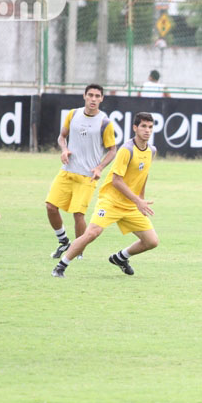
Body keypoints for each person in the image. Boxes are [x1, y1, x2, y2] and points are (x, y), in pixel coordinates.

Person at [52, 112, 159, 278]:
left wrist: (141, 200)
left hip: (131, 205)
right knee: (92, 233)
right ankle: (60, 266)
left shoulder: (151, 151)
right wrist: (137, 200)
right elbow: (116, 181)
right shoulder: (127, 150)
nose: (147, 130)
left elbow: (143, 174)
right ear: (135, 128)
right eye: (143, 126)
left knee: (152, 241)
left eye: (150, 127)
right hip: (110, 201)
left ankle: (120, 258)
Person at [45, 84, 117, 260]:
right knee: (50, 207)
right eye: (90, 95)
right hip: (67, 171)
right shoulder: (73, 114)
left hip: (87, 176)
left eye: (97, 96)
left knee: (78, 215)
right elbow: (62, 136)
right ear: (84, 96)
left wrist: (99, 167)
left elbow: (112, 150)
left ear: (102, 99)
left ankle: (78, 252)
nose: (93, 99)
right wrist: (64, 150)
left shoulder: (104, 122)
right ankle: (63, 242)